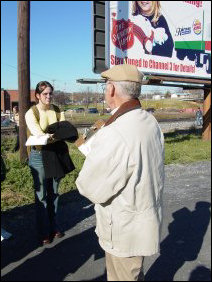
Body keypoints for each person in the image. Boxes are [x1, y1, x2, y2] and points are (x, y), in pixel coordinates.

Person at [76, 64, 165, 281]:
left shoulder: (116, 131)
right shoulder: (149, 121)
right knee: (135, 275)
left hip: (123, 230)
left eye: (106, 86)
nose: (105, 91)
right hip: (142, 222)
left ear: (113, 90)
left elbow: (90, 187)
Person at [25, 81, 77, 246]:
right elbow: (40, 135)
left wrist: (55, 134)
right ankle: (43, 231)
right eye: (45, 94)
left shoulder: (56, 109)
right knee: (42, 196)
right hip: (39, 155)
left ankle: (54, 227)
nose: (48, 97)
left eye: (50, 93)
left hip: (55, 154)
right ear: (38, 96)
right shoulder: (31, 113)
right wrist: (55, 134)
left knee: (54, 193)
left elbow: (65, 129)